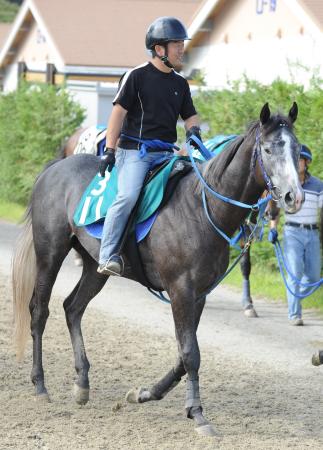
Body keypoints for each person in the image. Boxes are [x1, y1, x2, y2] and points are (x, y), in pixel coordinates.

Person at [97, 16, 201, 276]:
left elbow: (190, 116)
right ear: (159, 49)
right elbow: (118, 113)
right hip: (135, 154)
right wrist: (110, 150)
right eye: (176, 43)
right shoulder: (137, 76)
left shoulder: (180, 83)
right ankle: (107, 254)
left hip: (167, 154)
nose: (182, 48)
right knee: (128, 196)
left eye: (181, 43)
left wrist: (194, 132)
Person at [268, 145, 323, 325]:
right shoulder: (286, 184)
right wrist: (273, 228)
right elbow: (274, 208)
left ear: (306, 162)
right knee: (295, 274)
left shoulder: (318, 185)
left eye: (299, 160)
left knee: (314, 278)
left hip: (312, 233)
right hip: (292, 233)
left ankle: (296, 296)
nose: (296, 163)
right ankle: (295, 314)